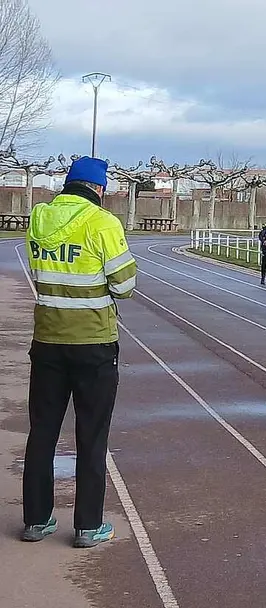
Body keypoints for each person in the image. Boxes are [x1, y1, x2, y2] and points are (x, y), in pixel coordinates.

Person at [21, 157, 137, 548]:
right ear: (99, 189)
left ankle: (36, 521)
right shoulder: (104, 223)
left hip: (48, 339)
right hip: (93, 343)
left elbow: (40, 272)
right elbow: (124, 286)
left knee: (42, 433)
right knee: (91, 435)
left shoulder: (39, 217)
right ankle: (88, 526)